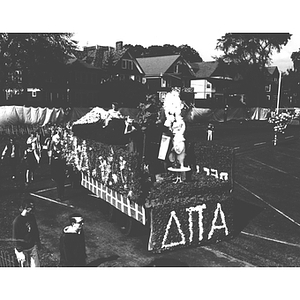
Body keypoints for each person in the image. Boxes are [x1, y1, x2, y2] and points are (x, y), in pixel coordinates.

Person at [12, 199, 41, 267]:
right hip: (23, 249)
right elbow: (15, 237)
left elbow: (35, 231)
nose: (30, 209)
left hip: (32, 246)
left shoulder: (32, 217)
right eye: (28, 207)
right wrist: (19, 251)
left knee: (36, 267)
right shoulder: (17, 221)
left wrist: (37, 243)